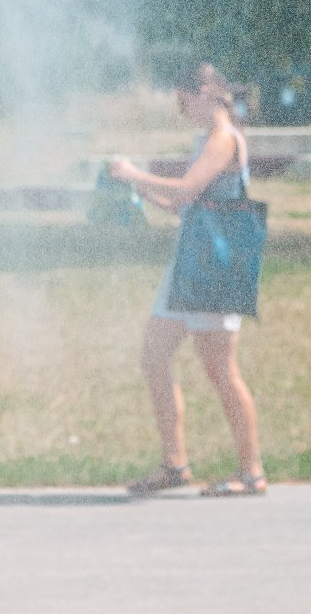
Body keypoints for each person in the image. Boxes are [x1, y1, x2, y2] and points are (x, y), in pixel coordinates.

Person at [110, 63, 267, 497]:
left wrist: (133, 174)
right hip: (192, 262)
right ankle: (174, 463)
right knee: (154, 354)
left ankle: (251, 472)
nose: (182, 111)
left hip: (214, 268)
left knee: (220, 370)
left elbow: (186, 189)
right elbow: (186, 206)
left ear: (205, 93)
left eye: (184, 101)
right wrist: (146, 192)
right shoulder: (207, 139)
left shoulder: (223, 138)